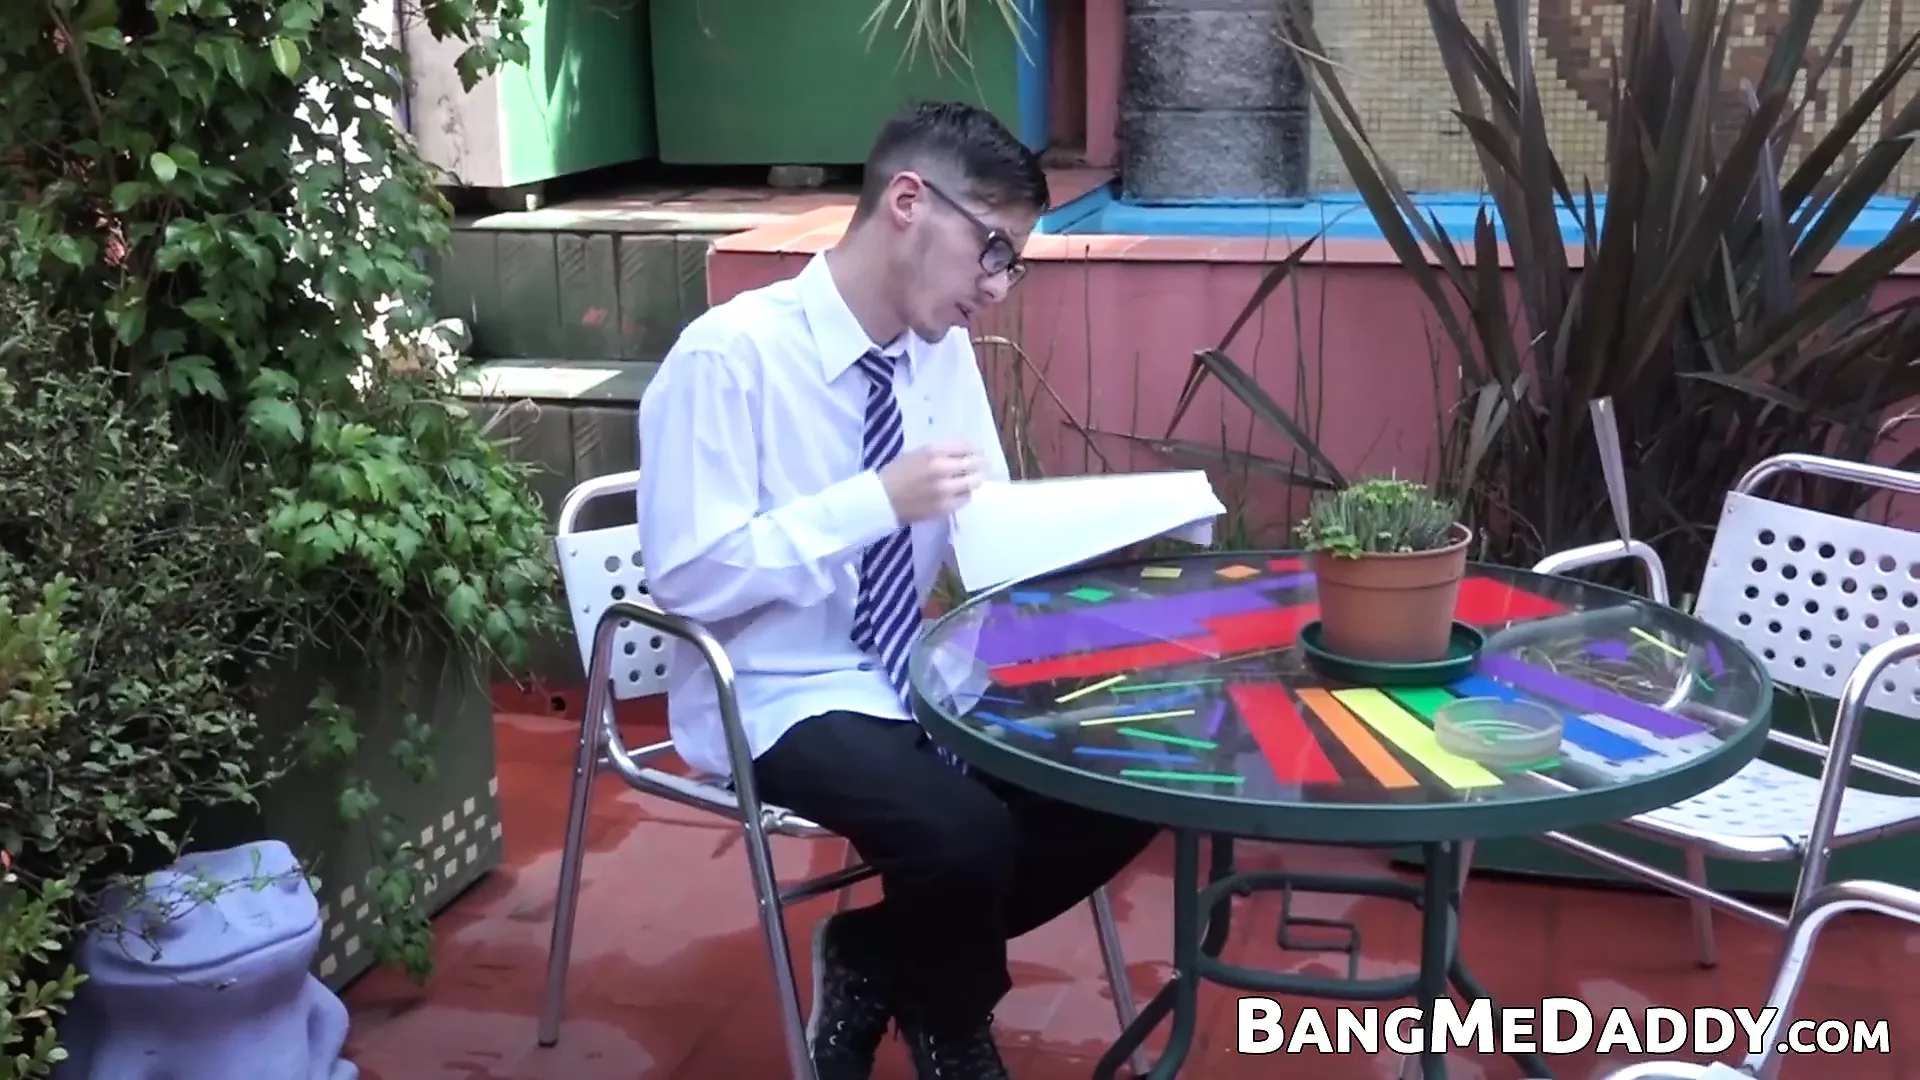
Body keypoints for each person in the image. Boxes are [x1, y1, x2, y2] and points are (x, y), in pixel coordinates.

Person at [634, 101, 1160, 1079]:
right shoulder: (729, 356)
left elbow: (985, 522)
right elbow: (689, 573)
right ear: (910, 202)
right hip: (774, 686)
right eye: (992, 249)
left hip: (913, 670)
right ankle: (952, 1025)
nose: (996, 287)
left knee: (1137, 772)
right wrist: (872, 503)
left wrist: (1101, 556)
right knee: (960, 835)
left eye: (1013, 263)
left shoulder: (939, 354)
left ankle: (877, 955)